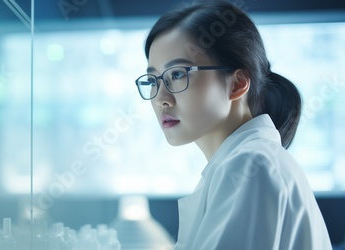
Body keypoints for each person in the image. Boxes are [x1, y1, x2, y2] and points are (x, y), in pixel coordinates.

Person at [134, 1, 333, 249]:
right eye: (153, 80)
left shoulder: (250, 164)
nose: (161, 98)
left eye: (177, 74)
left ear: (238, 84)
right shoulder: (244, 162)